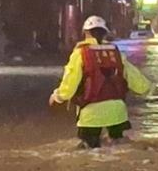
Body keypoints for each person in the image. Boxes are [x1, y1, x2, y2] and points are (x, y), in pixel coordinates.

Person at [49, 16, 152, 148]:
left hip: (91, 113)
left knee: (90, 148)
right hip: (117, 113)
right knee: (118, 146)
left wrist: (57, 97)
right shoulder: (115, 53)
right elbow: (135, 79)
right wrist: (149, 88)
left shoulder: (80, 54)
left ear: (85, 33)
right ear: (105, 33)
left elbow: (70, 83)